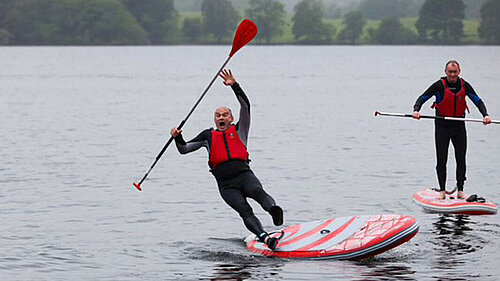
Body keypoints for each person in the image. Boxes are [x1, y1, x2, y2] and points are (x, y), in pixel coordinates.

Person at [170, 69, 284, 250]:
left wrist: (235, 86)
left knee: (257, 192)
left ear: (231, 118)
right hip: (226, 185)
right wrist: (177, 137)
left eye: (225, 115)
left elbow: (245, 107)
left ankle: (274, 211)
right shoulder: (207, 136)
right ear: (215, 119)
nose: (221, 117)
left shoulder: (240, 130)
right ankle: (265, 238)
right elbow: (184, 149)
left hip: (245, 176)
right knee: (244, 210)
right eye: (218, 115)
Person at [412, 60, 492, 199]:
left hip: (459, 126)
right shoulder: (438, 85)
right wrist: (416, 110)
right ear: (446, 72)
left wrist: (485, 115)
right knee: (441, 159)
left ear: (459, 72)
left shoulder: (464, 85)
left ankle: (460, 190)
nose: (453, 75)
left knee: (461, 158)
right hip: (442, 126)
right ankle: (442, 190)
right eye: (450, 72)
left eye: (455, 72)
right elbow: (422, 97)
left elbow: (478, 101)